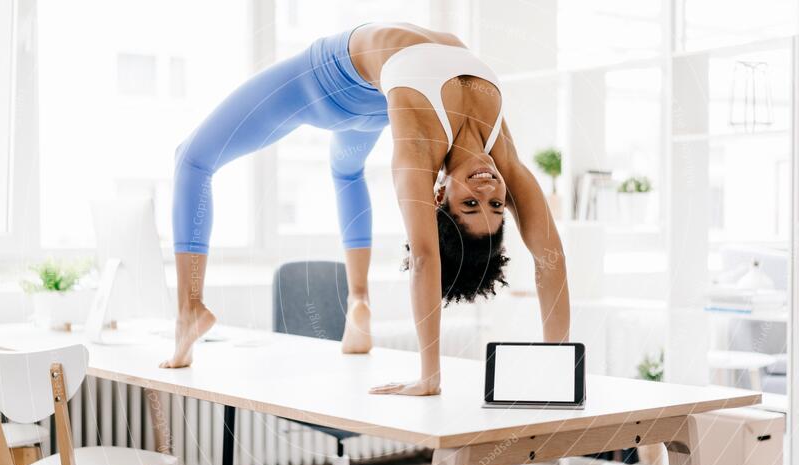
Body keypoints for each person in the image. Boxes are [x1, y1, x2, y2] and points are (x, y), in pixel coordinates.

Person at [160, 23, 571, 396]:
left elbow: (426, 257)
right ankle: (359, 302)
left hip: (329, 85)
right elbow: (550, 258)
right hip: (377, 98)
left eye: (470, 204)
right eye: (496, 204)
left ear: (438, 197)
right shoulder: (502, 155)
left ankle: (188, 309)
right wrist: (557, 363)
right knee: (347, 171)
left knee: (191, 159)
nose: (487, 187)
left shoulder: (416, 151)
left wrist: (429, 377)